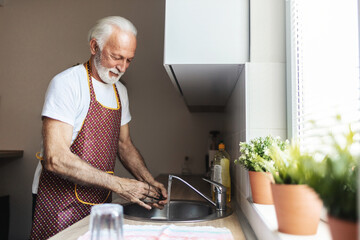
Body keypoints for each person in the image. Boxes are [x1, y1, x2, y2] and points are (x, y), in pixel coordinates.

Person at [30, 16, 167, 239]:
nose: (122, 67)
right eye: (116, 57)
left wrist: (147, 181)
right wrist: (119, 185)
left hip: (100, 202)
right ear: (95, 46)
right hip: (58, 203)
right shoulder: (67, 84)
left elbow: (124, 145)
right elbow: (55, 158)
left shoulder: (120, 91)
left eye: (129, 60)